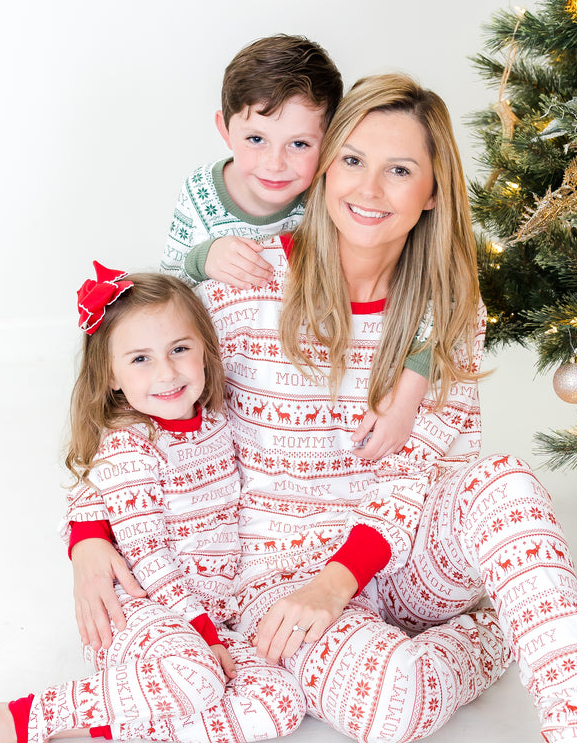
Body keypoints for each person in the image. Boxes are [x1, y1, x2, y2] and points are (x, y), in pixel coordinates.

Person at [70, 76, 577, 743]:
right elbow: (142, 389)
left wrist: (344, 577)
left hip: (397, 556)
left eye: (400, 170)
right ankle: (522, 631)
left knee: (504, 480)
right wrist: (86, 532)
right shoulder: (244, 283)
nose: (369, 189)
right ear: (324, 170)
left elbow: (424, 465)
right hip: (275, 586)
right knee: (393, 707)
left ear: (434, 191)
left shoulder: (447, 314)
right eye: (353, 160)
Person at [0, 267, 305, 743]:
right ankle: (26, 719)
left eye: (180, 349)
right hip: (146, 615)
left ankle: (112, 714)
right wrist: (205, 632)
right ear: (111, 375)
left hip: (213, 618)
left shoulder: (219, 423)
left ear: (205, 349)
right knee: (197, 678)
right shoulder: (130, 449)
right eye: (140, 359)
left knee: (280, 704)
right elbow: (147, 559)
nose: (167, 372)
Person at [159, 31, 429, 461]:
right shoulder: (199, 193)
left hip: (308, 368)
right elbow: (169, 282)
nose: (275, 163)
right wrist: (203, 256)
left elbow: (405, 289)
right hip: (225, 368)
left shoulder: (332, 196)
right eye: (256, 139)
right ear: (224, 129)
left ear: (331, 142)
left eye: (300, 144)